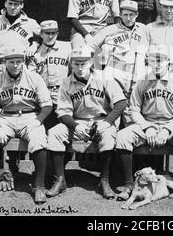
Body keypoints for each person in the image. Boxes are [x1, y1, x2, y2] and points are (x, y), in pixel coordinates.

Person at [115, 45, 173, 204]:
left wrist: (167, 130)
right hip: (147, 124)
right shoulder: (142, 81)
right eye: (154, 59)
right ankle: (129, 185)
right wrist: (147, 127)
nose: (158, 63)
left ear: (168, 61)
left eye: (161, 59)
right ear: (148, 61)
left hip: (171, 125)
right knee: (122, 137)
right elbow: (134, 109)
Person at [0, 46, 52, 204]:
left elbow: (47, 105)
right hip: (5, 118)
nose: (15, 65)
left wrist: (39, 120)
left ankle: (39, 186)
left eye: (18, 61)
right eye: (12, 62)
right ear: (5, 63)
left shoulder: (34, 77)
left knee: (38, 139)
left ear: (23, 62)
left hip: (30, 117)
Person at [46, 46, 127, 199]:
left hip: (102, 121)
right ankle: (60, 179)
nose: (80, 67)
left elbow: (121, 103)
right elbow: (63, 112)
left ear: (90, 62)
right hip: (78, 122)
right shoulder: (66, 83)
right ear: (71, 64)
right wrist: (75, 126)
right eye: (76, 63)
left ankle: (104, 180)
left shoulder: (104, 77)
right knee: (55, 132)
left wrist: (108, 122)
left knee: (108, 135)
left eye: (83, 63)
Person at [91, 0, 148, 126]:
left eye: (131, 15)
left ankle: (127, 141)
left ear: (137, 15)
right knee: (114, 109)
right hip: (115, 74)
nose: (128, 18)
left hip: (135, 75)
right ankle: (111, 137)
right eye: (125, 14)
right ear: (120, 14)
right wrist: (97, 69)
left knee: (132, 112)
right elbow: (91, 46)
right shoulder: (110, 30)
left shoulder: (143, 29)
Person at [27, 20, 72, 129]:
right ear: (41, 34)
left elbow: (74, 70)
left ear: (57, 33)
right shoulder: (35, 52)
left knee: (66, 124)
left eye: (53, 33)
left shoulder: (67, 47)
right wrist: (35, 44)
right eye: (47, 33)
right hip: (43, 93)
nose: (50, 36)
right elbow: (31, 78)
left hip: (62, 92)